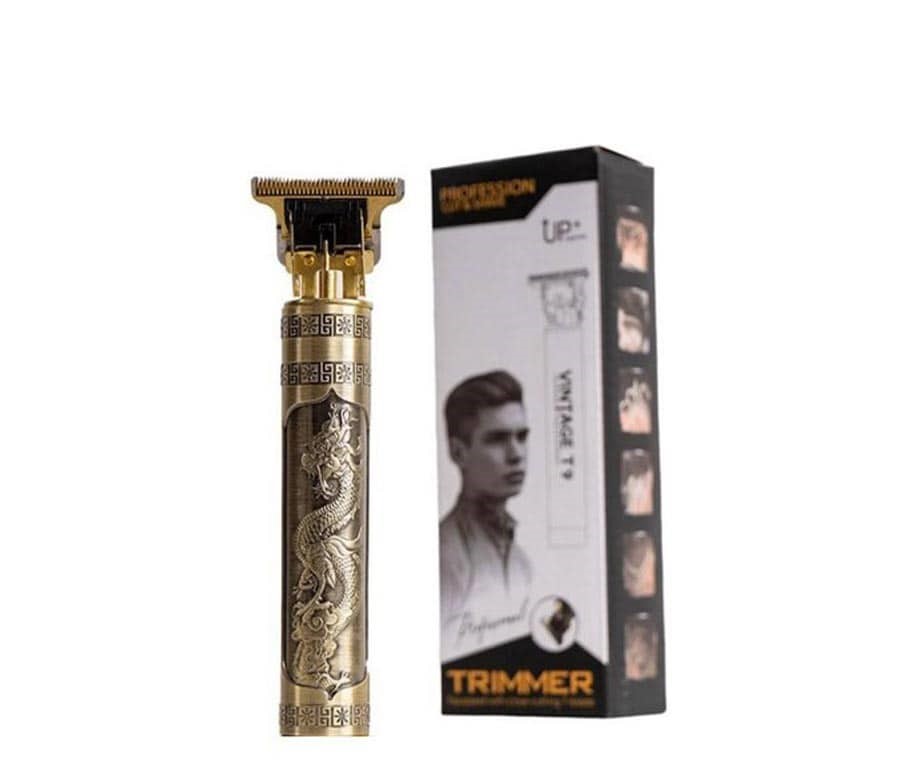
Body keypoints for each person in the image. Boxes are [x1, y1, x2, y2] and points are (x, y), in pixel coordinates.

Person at [440, 370, 532, 629]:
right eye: (497, 439)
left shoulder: (521, 562)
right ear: (458, 452)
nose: (516, 454)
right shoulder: (447, 556)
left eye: (522, 437)